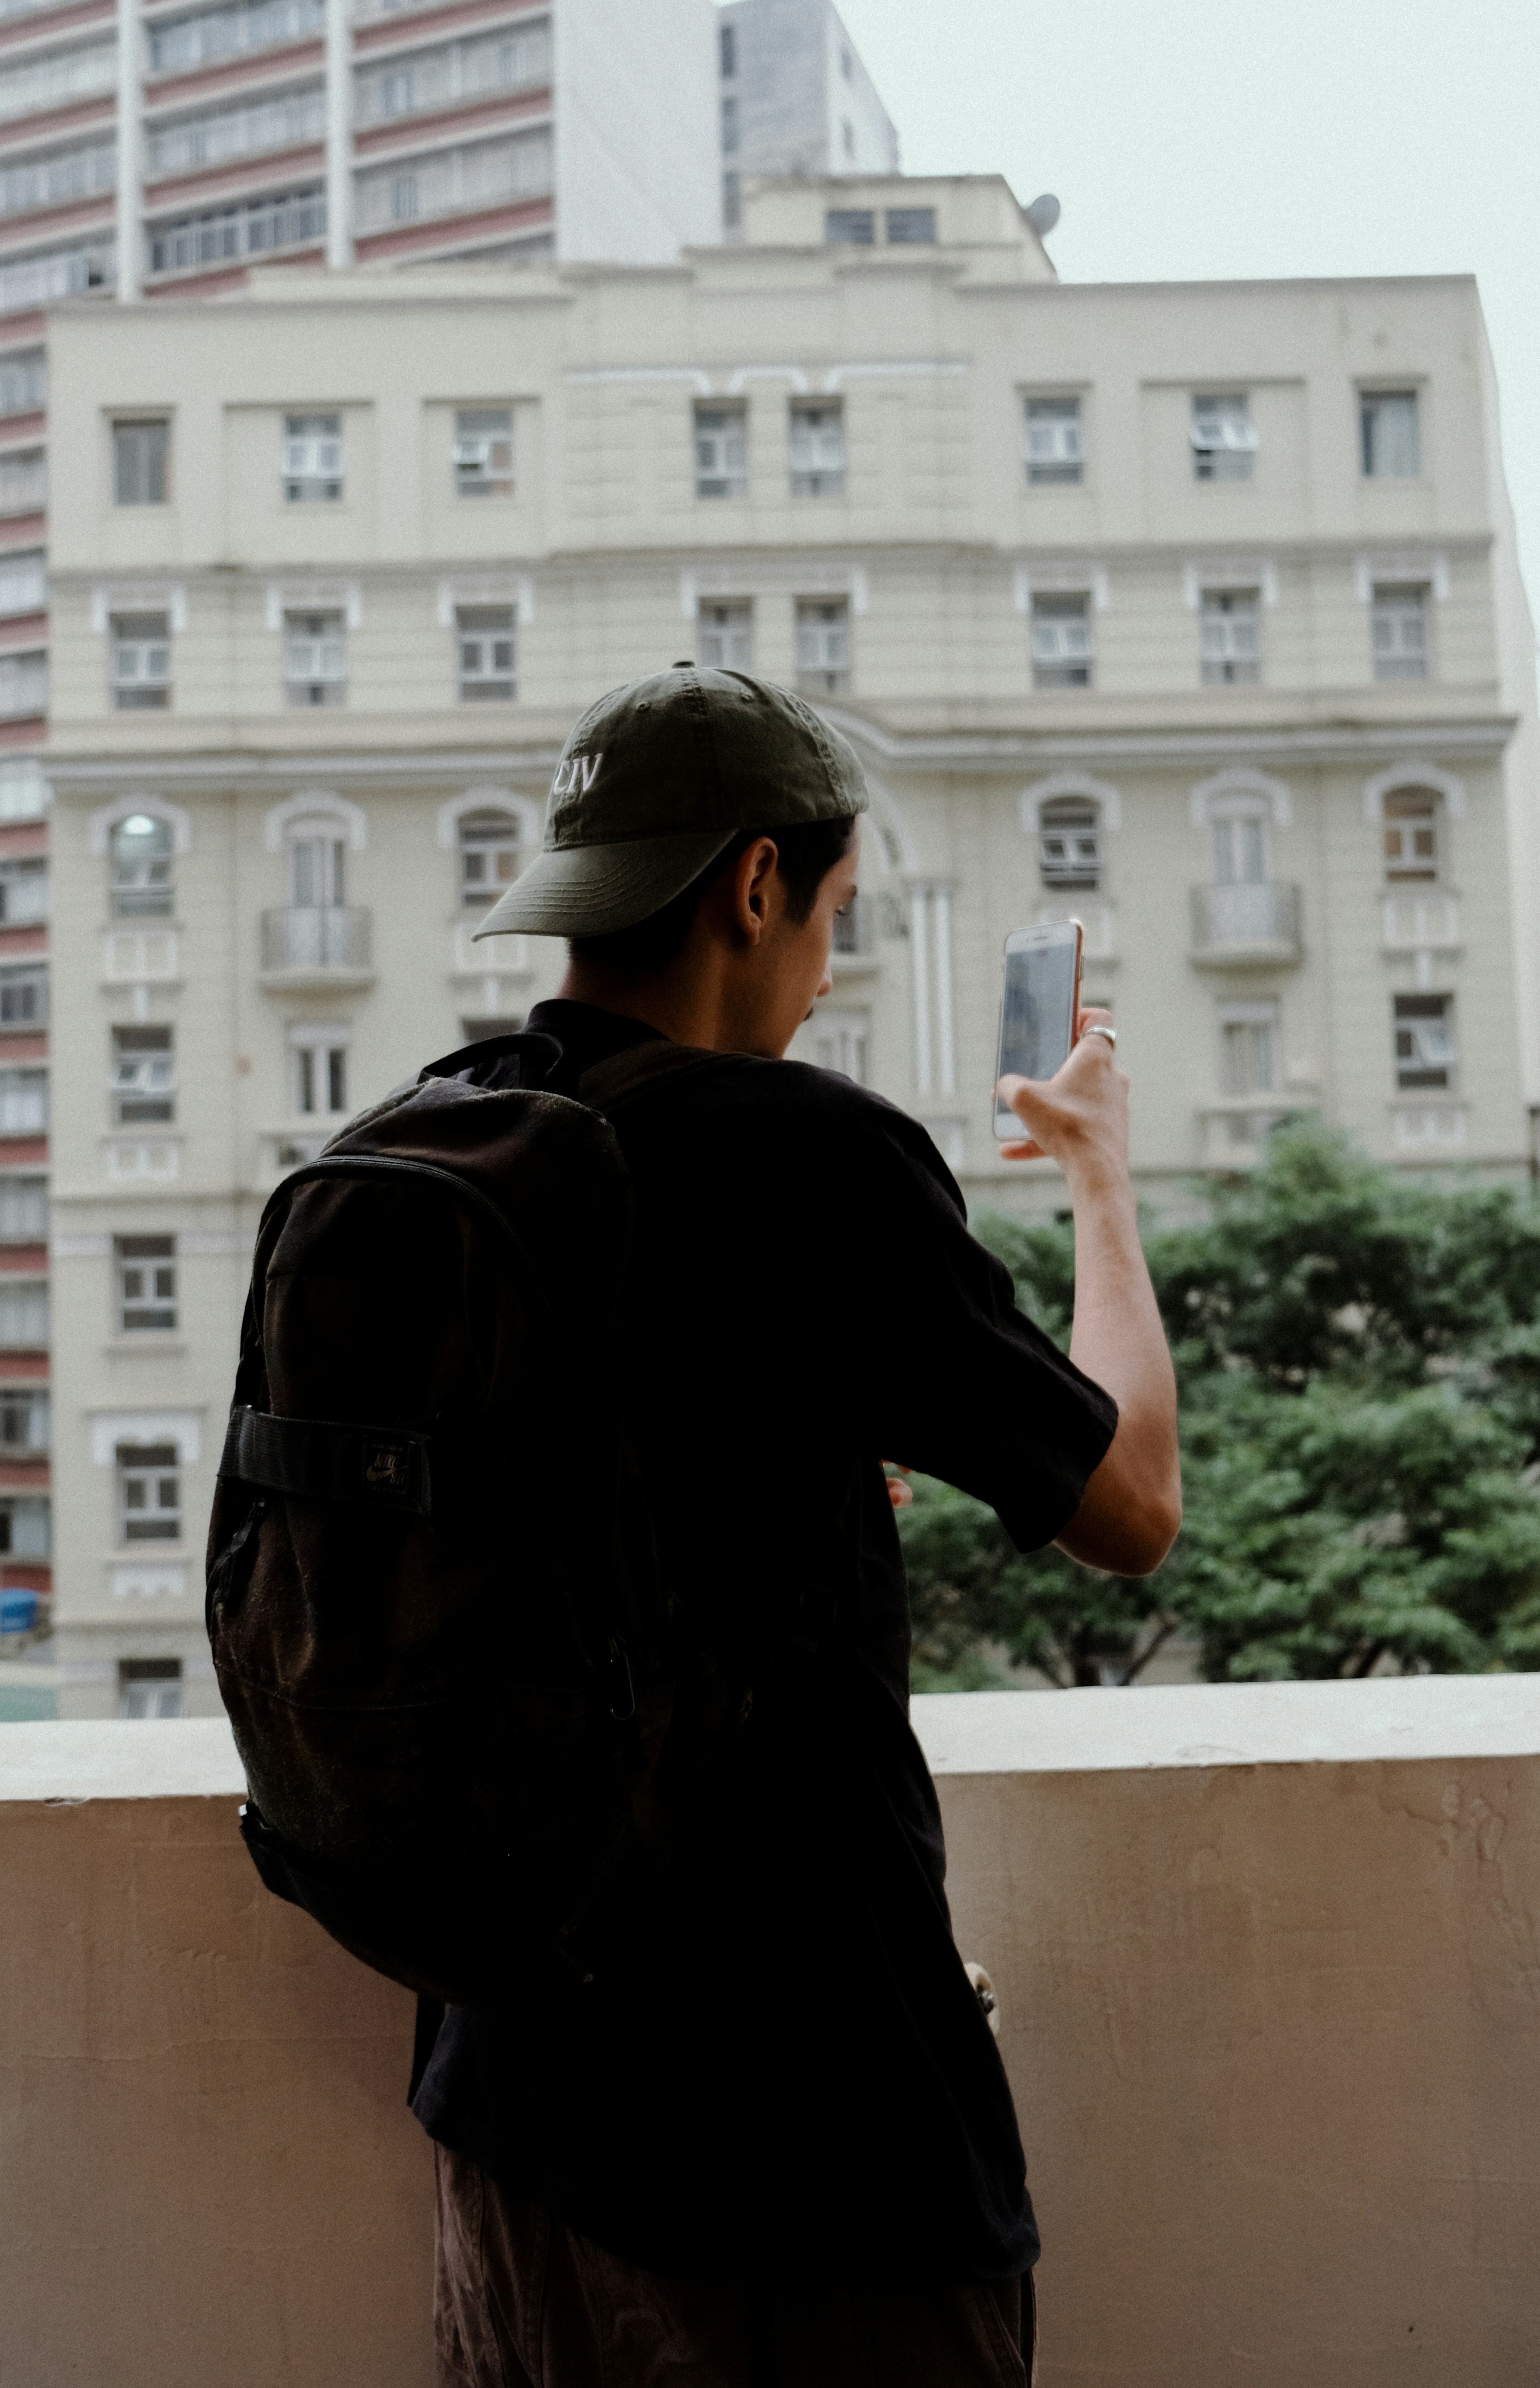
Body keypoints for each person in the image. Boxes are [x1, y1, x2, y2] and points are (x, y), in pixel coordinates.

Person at [413, 664, 1182, 2388]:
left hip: (502, 2096)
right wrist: (1099, 1178)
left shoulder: (441, 1131)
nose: (828, 966)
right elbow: (1128, 1506)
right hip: (794, 2133)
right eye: (832, 914)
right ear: (754, 887)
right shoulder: (802, 1157)